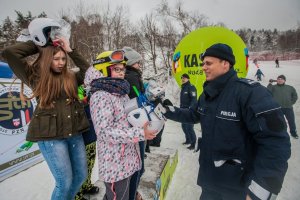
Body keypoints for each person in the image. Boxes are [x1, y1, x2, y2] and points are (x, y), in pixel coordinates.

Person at [163, 43, 291, 200]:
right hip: (210, 183)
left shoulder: (251, 93)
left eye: (208, 63)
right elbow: (192, 115)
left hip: (239, 189)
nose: (203, 67)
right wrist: (168, 110)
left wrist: (260, 191)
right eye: (203, 63)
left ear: (225, 63)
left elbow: (276, 143)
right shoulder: (207, 94)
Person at [2, 24, 89, 200]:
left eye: (63, 59)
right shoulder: (34, 76)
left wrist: (70, 50)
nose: (61, 63)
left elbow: (89, 73)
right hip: (51, 138)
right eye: (56, 59)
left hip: (74, 134)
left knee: (80, 177)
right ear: (47, 58)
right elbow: (10, 53)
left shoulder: (71, 77)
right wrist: (41, 43)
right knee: (64, 182)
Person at [85, 50, 157, 200]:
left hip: (128, 158)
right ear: (103, 69)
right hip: (115, 165)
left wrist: (145, 120)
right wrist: (139, 133)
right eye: (116, 69)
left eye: (122, 69)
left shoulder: (120, 92)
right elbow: (104, 132)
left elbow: (126, 120)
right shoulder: (100, 96)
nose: (121, 72)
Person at [122, 46, 146, 200]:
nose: (139, 65)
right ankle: (132, 194)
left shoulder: (130, 75)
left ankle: (132, 193)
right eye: (138, 62)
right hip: (136, 125)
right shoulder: (132, 77)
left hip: (131, 126)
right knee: (139, 166)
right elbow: (139, 100)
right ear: (131, 63)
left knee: (136, 165)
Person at [75, 84, 100, 200]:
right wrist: (82, 99)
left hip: (91, 135)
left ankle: (86, 185)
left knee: (90, 164)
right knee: (80, 168)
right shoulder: (73, 88)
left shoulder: (90, 89)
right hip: (79, 138)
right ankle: (77, 194)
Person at [267, 75, 298, 139]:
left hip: (288, 107)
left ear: (284, 80)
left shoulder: (290, 87)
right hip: (278, 108)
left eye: (281, 79)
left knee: (291, 121)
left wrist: (291, 102)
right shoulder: (273, 87)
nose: (280, 80)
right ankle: (280, 133)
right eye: (278, 79)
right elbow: (268, 92)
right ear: (277, 80)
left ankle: (293, 132)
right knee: (279, 121)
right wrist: (270, 83)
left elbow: (295, 96)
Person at [180, 73, 197, 150]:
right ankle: (188, 140)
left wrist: (191, 108)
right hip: (183, 110)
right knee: (184, 126)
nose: (183, 79)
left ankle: (193, 144)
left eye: (184, 78)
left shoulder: (191, 87)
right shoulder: (183, 87)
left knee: (189, 127)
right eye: (182, 78)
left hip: (189, 110)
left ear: (188, 79)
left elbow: (194, 99)